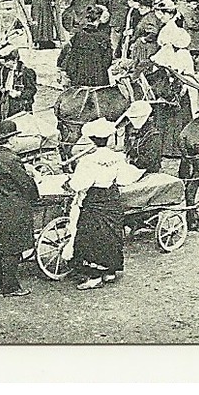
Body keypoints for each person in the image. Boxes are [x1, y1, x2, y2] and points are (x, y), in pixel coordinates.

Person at [0, 119, 39, 297]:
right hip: (13, 207)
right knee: (13, 248)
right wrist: (35, 194)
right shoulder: (12, 159)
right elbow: (25, 184)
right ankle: (11, 287)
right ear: (11, 139)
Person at [67, 118, 125, 289]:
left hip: (95, 197)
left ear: (92, 139)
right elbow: (123, 178)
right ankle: (109, 271)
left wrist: (70, 184)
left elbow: (81, 183)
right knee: (112, 232)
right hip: (111, 197)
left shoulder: (88, 160)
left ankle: (94, 277)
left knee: (91, 234)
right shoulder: (117, 157)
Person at [0, 43, 39, 125]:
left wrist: (19, 94)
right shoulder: (4, 70)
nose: (4, 63)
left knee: (21, 125)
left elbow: (32, 90)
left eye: (6, 61)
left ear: (14, 60)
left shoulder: (26, 72)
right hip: (6, 102)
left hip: (20, 105)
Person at [58, 6, 113, 89]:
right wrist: (101, 68)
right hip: (98, 77)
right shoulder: (103, 37)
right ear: (99, 20)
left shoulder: (78, 35)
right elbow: (108, 58)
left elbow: (66, 52)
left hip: (78, 75)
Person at [121, 100, 164, 173]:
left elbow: (150, 160)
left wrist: (133, 161)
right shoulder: (136, 131)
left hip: (149, 171)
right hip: (135, 168)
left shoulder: (153, 135)